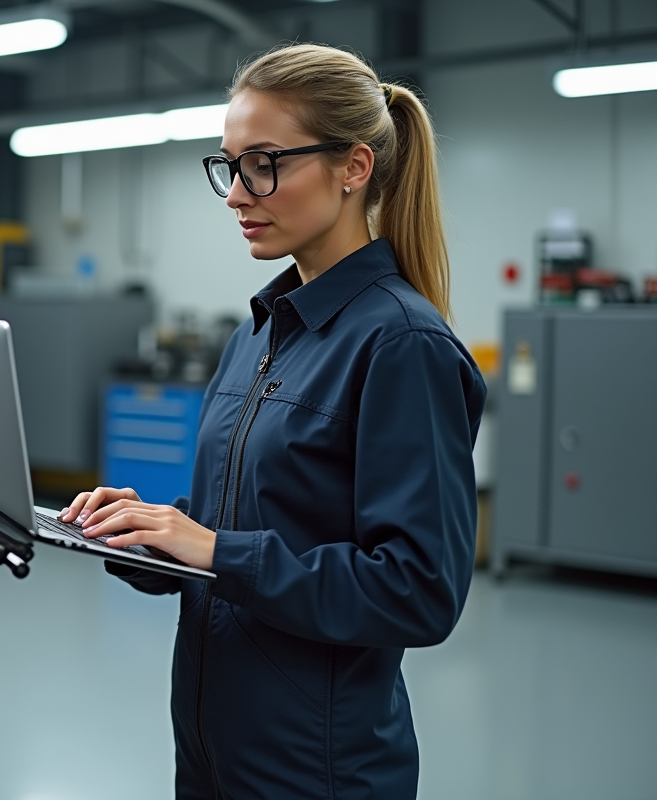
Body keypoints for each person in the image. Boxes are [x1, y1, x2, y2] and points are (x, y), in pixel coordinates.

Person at [59, 43, 487, 800]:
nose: (236, 195)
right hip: (212, 747)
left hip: (315, 766)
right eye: (229, 166)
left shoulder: (401, 344)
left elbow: (419, 589)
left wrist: (214, 550)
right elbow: (249, 523)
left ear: (354, 168)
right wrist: (148, 534)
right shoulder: (257, 334)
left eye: (262, 165)